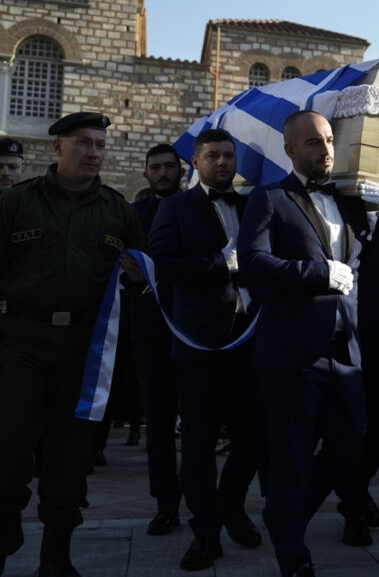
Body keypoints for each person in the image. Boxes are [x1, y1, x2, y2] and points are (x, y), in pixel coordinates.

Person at [236, 110, 379, 577]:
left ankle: (284, 517)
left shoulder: (348, 202)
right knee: (289, 460)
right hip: (291, 354)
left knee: (349, 450)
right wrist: (317, 275)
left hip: (345, 352)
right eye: (312, 142)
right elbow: (251, 264)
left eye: (328, 140)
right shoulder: (269, 198)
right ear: (290, 150)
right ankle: (294, 557)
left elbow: (373, 269)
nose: (324, 149)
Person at [0, 112, 147, 576]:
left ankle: (56, 555)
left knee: (68, 457)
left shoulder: (117, 210)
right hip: (20, 342)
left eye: (100, 145)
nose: (94, 152)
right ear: (57, 148)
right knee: (8, 447)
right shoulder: (17, 203)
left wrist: (140, 276)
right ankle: (4, 532)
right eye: (83, 143)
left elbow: (146, 278)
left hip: (84, 350)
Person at [148, 128, 264, 571]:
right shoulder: (176, 208)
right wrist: (222, 264)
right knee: (198, 441)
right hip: (201, 344)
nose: (222, 163)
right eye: (213, 156)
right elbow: (165, 266)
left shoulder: (254, 204)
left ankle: (231, 504)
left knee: (255, 432)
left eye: (228, 156)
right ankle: (205, 530)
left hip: (251, 337)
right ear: (194, 163)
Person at [129, 144, 186, 536]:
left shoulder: (196, 208)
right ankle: (166, 504)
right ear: (146, 172)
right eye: (156, 168)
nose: (163, 173)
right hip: (152, 331)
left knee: (203, 423)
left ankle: (212, 502)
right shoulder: (134, 216)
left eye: (169, 167)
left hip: (196, 329)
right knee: (160, 424)